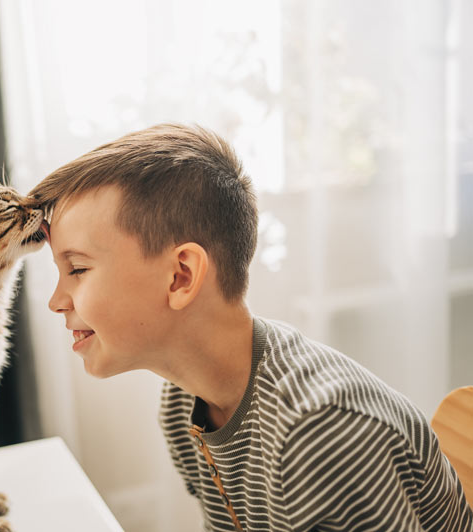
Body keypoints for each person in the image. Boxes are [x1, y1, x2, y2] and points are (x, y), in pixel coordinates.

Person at [28, 123, 473, 532]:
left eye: (78, 269)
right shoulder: (183, 401)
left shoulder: (319, 430)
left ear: (180, 276)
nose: (56, 301)